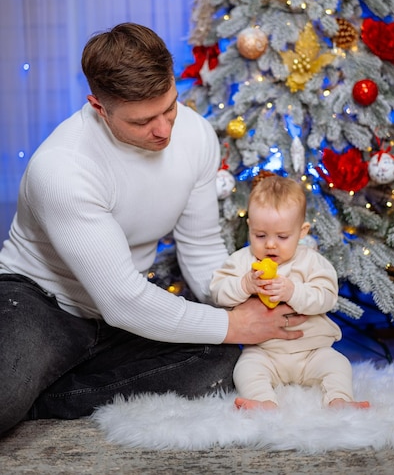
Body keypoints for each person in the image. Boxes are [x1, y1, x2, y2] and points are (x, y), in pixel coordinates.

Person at [0, 22, 306, 436]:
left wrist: (245, 300)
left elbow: (199, 248)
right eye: (143, 121)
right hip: (39, 302)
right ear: (98, 106)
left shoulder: (195, 134)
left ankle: (43, 396)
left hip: (115, 319)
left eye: (169, 107)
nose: (163, 130)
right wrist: (235, 326)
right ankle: (25, 391)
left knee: (218, 365)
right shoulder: (62, 168)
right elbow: (122, 300)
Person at [210, 174, 370, 410]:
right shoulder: (242, 262)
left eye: (282, 236)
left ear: (302, 231)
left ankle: (339, 400)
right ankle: (263, 401)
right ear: (249, 227)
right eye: (260, 235)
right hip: (265, 352)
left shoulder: (312, 261)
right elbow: (217, 292)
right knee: (245, 369)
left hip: (312, 351)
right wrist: (244, 286)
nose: (271, 244)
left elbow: (326, 297)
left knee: (338, 365)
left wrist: (293, 292)